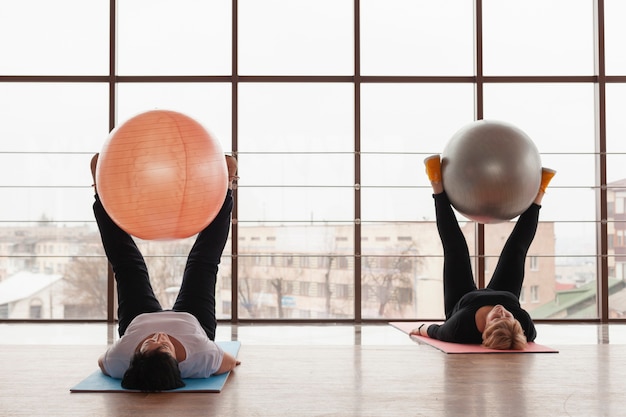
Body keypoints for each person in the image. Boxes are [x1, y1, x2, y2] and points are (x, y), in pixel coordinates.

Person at [91, 153, 241, 391]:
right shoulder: (201, 358)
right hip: (194, 321)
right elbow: (232, 363)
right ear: (177, 363)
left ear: (135, 356)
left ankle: (100, 191)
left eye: (148, 343)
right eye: (164, 346)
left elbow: (102, 364)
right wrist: (228, 362)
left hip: (137, 319)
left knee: (128, 264)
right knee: (203, 262)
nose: (158, 336)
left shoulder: (119, 360)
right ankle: (227, 186)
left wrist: (142, 338)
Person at [409, 155, 556, 350]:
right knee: (516, 251)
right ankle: (540, 193)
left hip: (461, 301)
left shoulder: (459, 329)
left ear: (485, 328)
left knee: (455, 248)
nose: (501, 311)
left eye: (497, 317)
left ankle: (435, 181)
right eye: (508, 316)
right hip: (505, 293)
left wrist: (419, 329)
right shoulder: (525, 326)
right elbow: (518, 333)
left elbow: (435, 331)